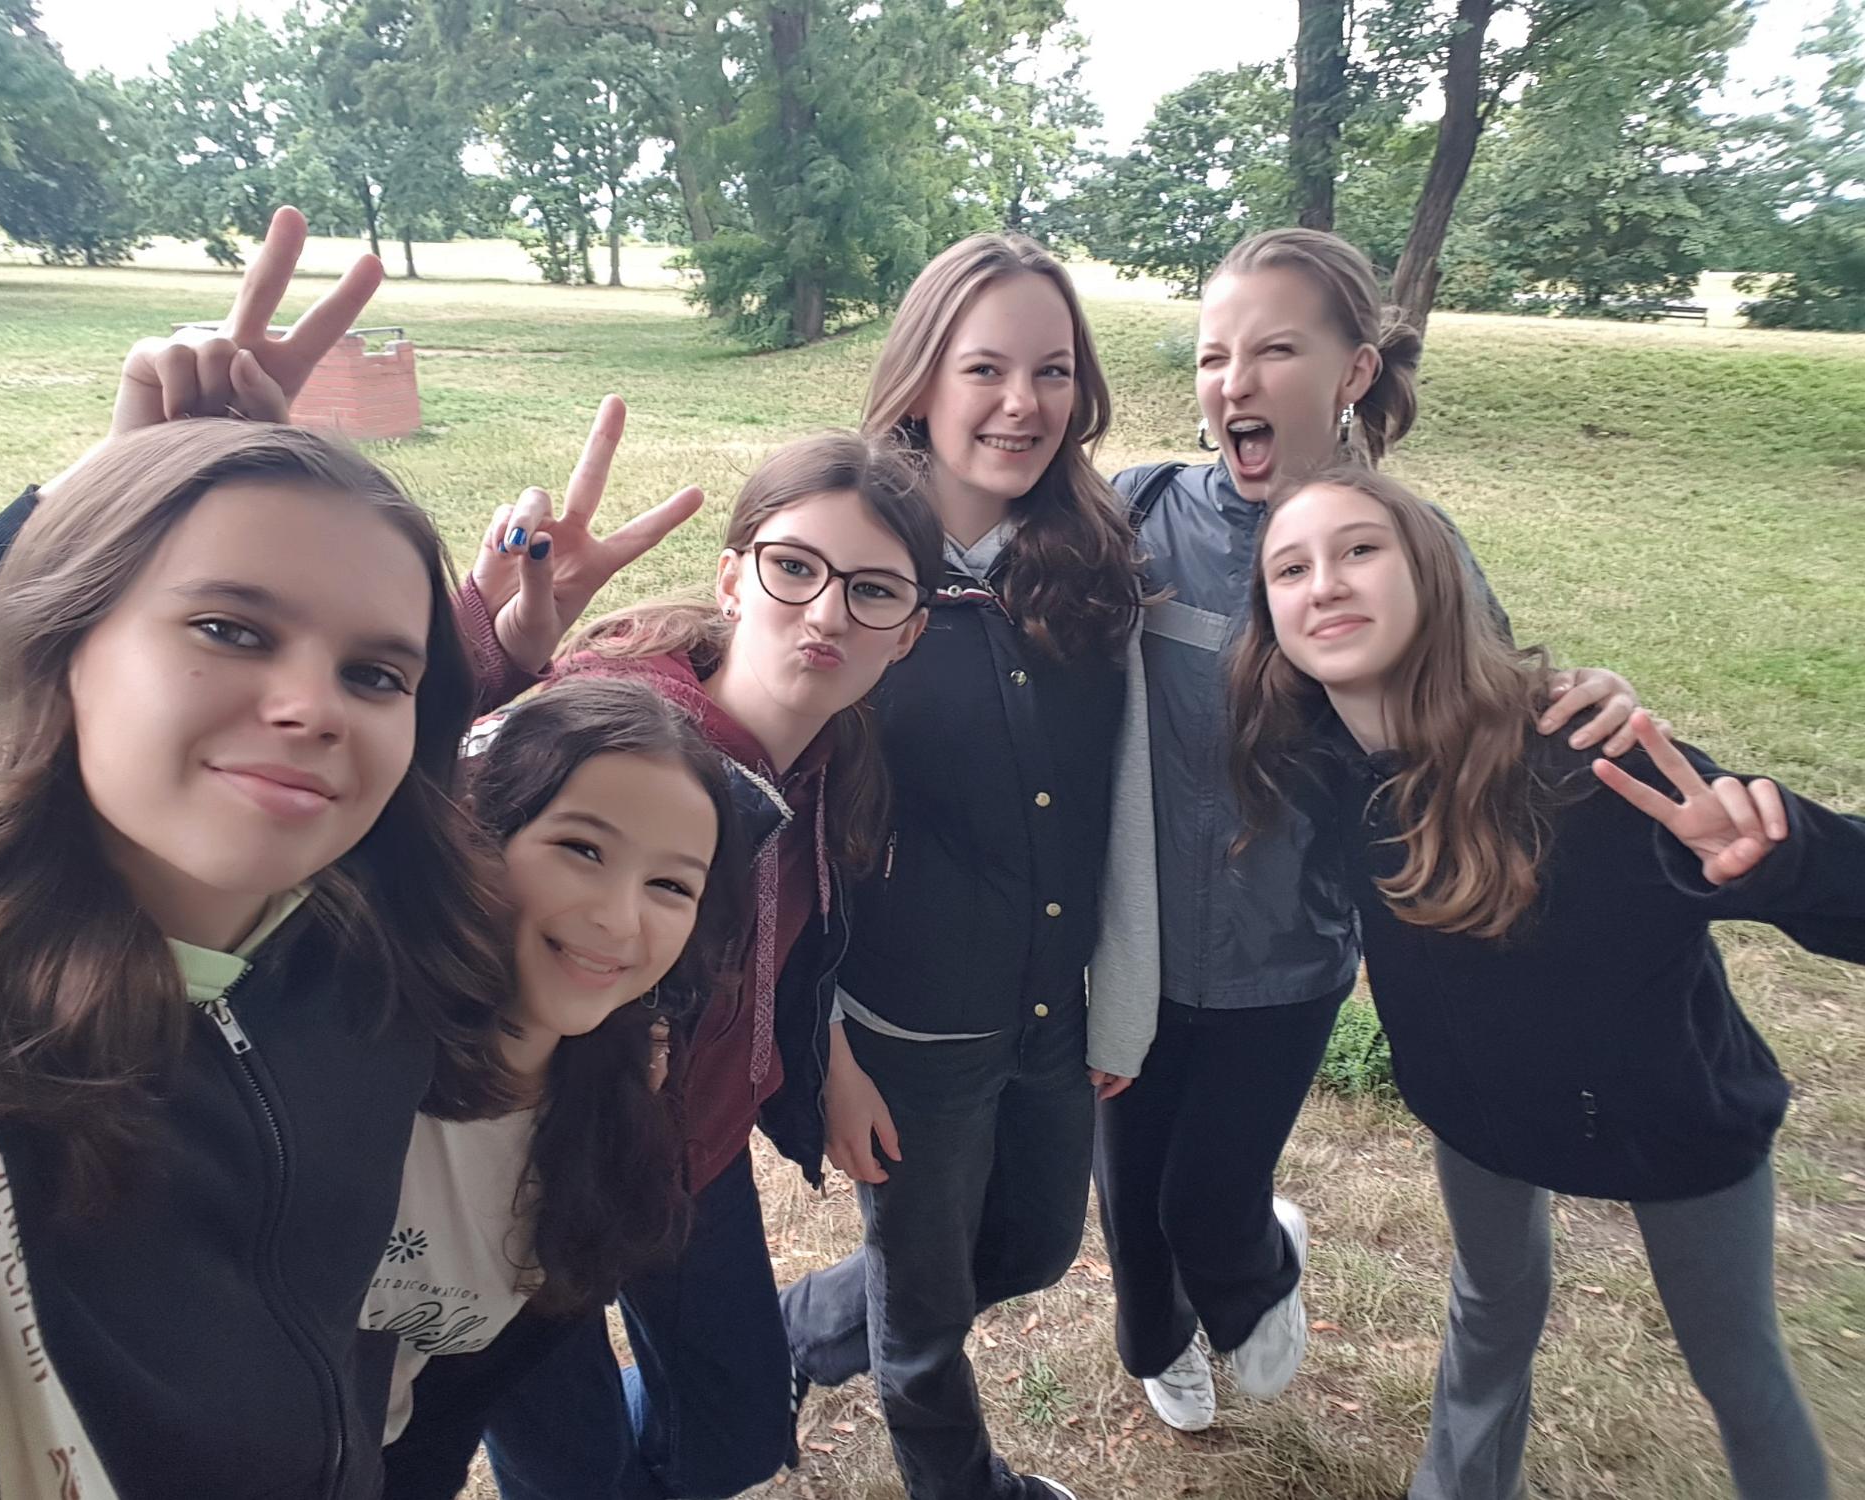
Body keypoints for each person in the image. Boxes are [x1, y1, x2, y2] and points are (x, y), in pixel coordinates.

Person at [0, 418, 517, 1500]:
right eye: (229, 629)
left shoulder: (372, 947)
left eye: (373, 674)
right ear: (62, 643)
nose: (313, 709)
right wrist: (76, 501)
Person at [1088, 226, 1646, 1435]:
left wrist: (1588, 703)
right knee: (1130, 1219)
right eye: (1211, 356)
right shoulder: (1137, 513)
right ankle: (1157, 1341)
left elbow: (1490, 719)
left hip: (1284, 964)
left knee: (1206, 1203)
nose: (1233, 381)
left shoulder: (1406, 546)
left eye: (1273, 351)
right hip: (1131, 959)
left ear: (1350, 372)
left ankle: (1263, 1266)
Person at [1229, 462, 1855, 1500]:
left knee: (1737, 1370)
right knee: (1488, 1313)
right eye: (1289, 570)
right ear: (1270, 620)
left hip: (1672, 1122)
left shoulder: (1584, 763)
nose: (1324, 583)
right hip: (1478, 1116)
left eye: (1359, 550)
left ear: (1432, 575)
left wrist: (1778, 860)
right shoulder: (1319, 768)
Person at [404, 431, 945, 1500]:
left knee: (735, 1438)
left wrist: (825, 1061)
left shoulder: (832, 756)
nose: (828, 614)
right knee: (571, 1467)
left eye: (873, 590)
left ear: (910, 631)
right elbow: (411, 806)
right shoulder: (624, 724)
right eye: (795, 568)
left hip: (692, 1153)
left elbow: (792, 938)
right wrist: (493, 647)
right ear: (733, 577)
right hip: (528, 1157)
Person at [779, 233, 1146, 1500]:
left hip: (1050, 1015)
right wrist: (822, 1048)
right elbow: (782, 818)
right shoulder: (851, 577)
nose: (1020, 403)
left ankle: (798, 1326)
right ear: (921, 381)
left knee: (1032, 1250)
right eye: (983, 367)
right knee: (925, 1323)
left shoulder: (1091, 567)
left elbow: (1125, 793)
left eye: (1052, 370)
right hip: (907, 1034)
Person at [364, 676, 752, 1481]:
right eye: (582, 849)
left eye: (670, 885)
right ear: (482, 833)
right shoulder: (343, 1046)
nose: (618, 918)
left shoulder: (611, 1122)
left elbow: (447, 1415)